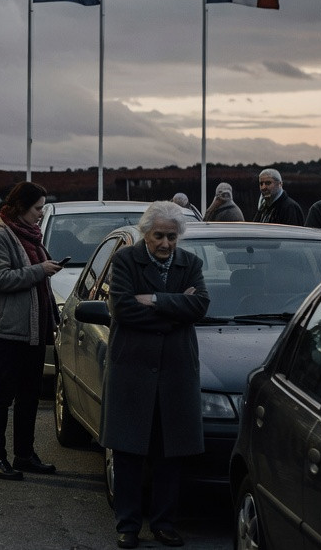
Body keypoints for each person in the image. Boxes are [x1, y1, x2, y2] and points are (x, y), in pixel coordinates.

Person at [101, 201, 210, 549]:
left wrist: (155, 300)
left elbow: (200, 305)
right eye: (159, 236)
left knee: (169, 453)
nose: (166, 244)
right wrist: (176, 305)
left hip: (175, 370)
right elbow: (123, 308)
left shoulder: (190, 263)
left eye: (172, 237)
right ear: (145, 234)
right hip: (132, 368)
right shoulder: (124, 260)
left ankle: (164, 523)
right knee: (129, 452)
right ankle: (128, 525)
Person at [0, 181, 63, 480]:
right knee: (3, 394)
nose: (41, 213)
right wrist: (41, 270)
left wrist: (53, 318)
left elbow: (40, 285)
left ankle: (24, 454)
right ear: (22, 207)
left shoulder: (31, 234)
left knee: (29, 394)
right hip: (7, 329)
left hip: (34, 328)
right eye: (38, 208)